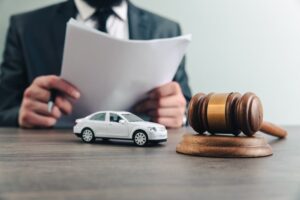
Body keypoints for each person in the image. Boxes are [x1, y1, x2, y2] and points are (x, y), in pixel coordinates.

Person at [0, 0, 192, 128]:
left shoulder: (167, 30)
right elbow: (4, 110)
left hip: (143, 160)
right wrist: (20, 115)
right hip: (55, 163)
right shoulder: (26, 27)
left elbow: (186, 105)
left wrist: (180, 115)